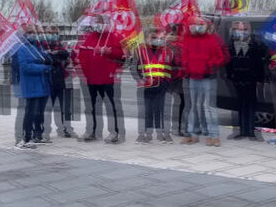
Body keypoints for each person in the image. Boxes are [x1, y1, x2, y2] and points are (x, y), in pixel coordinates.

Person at [76, 15, 126, 143]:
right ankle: (92, 131)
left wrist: (109, 51)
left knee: (111, 105)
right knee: (92, 106)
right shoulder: (90, 38)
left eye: (100, 22)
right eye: (96, 22)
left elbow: (122, 55)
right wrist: (87, 73)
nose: (97, 25)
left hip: (107, 78)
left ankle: (115, 131)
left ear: (105, 24)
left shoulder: (112, 37)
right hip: (92, 78)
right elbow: (83, 56)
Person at [180, 16, 229, 147]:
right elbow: (184, 55)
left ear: (205, 26)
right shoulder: (187, 39)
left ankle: (214, 135)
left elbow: (221, 57)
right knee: (194, 107)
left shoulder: (212, 38)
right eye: (194, 24)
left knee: (209, 107)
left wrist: (210, 65)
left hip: (208, 77)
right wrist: (187, 64)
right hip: (193, 77)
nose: (197, 26)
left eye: (200, 24)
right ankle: (192, 133)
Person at [225, 21, 267, 141]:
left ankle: (251, 132)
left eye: (243, 29)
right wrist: (230, 75)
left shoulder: (255, 42)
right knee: (241, 105)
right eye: (238, 29)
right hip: (237, 78)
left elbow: (260, 62)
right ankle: (242, 131)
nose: (241, 31)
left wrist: (260, 78)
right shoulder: (232, 42)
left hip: (251, 77)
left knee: (251, 105)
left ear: (248, 30)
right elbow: (229, 61)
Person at [134, 28, 175, 144]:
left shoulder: (169, 51)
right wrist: (140, 79)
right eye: (153, 37)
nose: (156, 40)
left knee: (161, 111)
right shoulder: (140, 51)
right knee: (146, 111)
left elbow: (174, 69)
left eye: (158, 38)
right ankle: (146, 134)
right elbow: (134, 68)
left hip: (163, 86)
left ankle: (162, 134)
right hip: (146, 87)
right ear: (146, 39)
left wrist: (168, 84)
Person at [15, 24, 52, 149]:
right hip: (31, 85)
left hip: (42, 84)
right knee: (30, 111)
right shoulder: (22, 49)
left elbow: (45, 59)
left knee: (39, 112)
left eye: (34, 32)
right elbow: (25, 67)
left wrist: (48, 60)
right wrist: (44, 68)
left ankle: (38, 135)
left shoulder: (37, 47)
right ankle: (26, 137)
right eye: (30, 32)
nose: (33, 35)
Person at [41, 27, 75, 142]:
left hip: (60, 80)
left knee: (64, 107)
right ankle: (45, 130)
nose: (53, 35)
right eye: (50, 33)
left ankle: (65, 128)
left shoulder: (58, 45)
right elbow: (46, 59)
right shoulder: (42, 45)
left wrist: (56, 53)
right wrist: (57, 58)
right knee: (47, 107)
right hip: (48, 81)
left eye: (54, 34)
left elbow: (66, 54)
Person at [166, 23, 186, 137]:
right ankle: (175, 127)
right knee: (179, 102)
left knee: (177, 102)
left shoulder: (168, 43)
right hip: (175, 75)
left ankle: (174, 127)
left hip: (176, 75)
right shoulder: (170, 43)